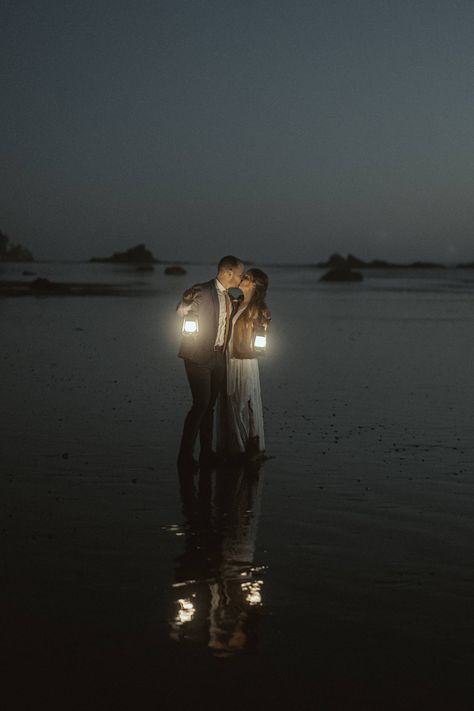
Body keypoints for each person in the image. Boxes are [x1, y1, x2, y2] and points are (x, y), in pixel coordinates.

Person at [177, 255, 245, 471]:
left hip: (218, 358)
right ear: (227, 272)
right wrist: (186, 300)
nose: (241, 277)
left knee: (210, 407)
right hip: (197, 356)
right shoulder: (202, 290)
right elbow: (180, 311)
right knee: (200, 405)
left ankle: (207, 453)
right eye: (240, 273)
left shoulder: (230, 297)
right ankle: (185, 456)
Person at [218, 268, 271, 461]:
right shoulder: (236, 303)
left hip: (245, 361)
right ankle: (233, 447)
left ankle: (249, 446)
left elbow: (263, 336)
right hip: (230, 360)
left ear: (254, 284)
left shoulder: (259, 310)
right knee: (231, 403)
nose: (242, 278)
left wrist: (258, 343)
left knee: (244, 402)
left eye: (246, 277)